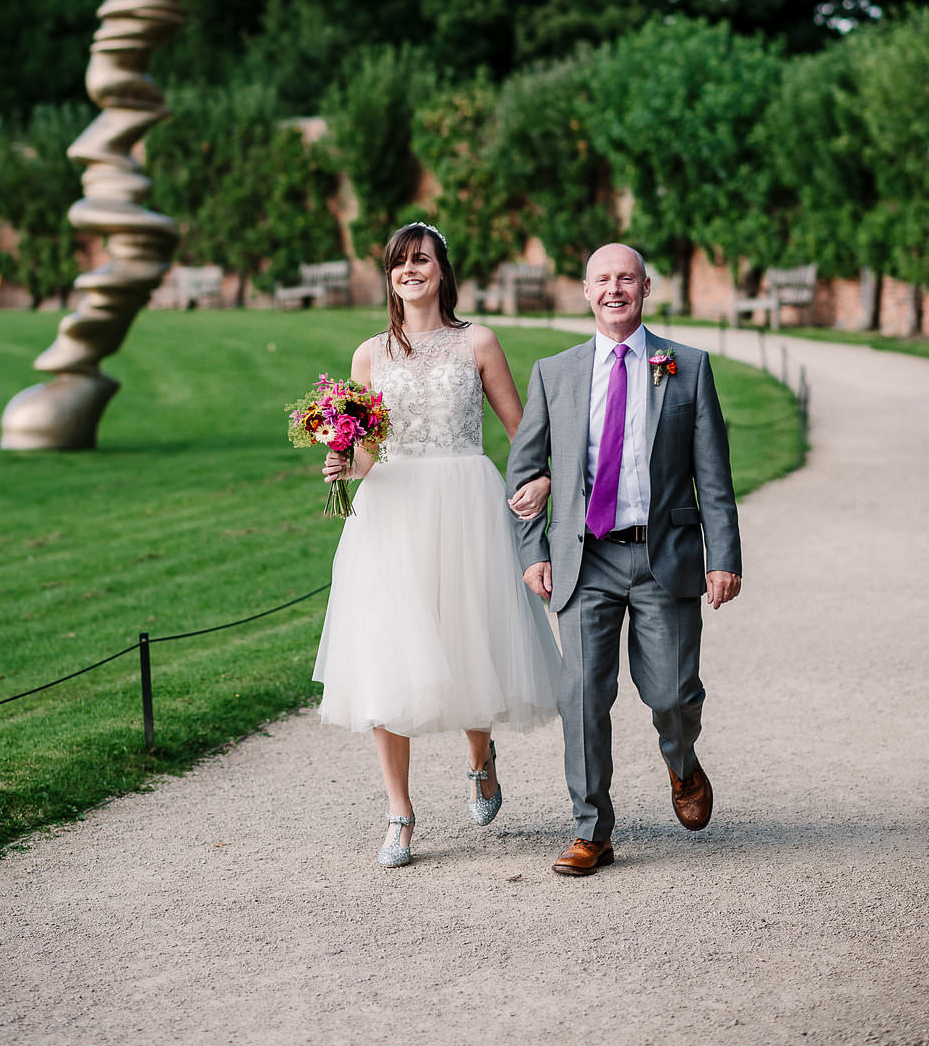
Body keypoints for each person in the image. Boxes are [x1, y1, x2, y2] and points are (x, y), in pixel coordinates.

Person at [314, 222, 561, 868]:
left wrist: (542, 479)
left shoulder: (476, 340)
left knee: (467, 636)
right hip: (391, 511)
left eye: (422, 259)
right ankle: (400, 811)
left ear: (443, 271)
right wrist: (345, 460)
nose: (410, 270)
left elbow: (521, 431)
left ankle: (481, 758)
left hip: (465, 504)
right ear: (390, 275)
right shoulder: (369, 354)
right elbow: (369, 451)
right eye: (400, 262)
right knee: (385, 652)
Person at [506, 242, 742, 877]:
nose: (615, 290)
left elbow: (712, 476)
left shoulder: (685, 367)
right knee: (581, 695)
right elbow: (524, 475)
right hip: (584, 560)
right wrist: (533, 552)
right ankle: (591, 829)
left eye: (627, 279)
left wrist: (724, 557)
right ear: (585, 292)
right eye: (602, 280)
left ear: (646, 289)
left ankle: (682, 761)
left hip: (662, 555)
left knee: (670, 691)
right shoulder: (553, 373)